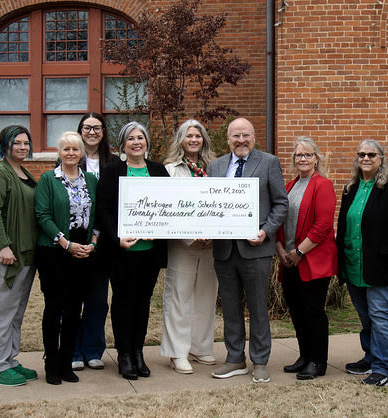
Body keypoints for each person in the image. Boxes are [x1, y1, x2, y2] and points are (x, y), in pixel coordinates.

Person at [208, 117, 288, 383]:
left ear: (253, 137)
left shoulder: (268, 163)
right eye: (235, 136)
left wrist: (265, 231)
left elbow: (280, 204)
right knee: (230, 308)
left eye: (245, 135)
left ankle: (260, 361)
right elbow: (209, 205)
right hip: (224, 250)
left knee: (257, 307)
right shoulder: (216, 165)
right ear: (227, 139)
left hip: (256, 249)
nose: (240, 141)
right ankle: (234, 358)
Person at [336, 139, 388, 387]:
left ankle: (382, 369)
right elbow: (344, 226)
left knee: (381, 316)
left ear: (381, 158)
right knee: (366, 317)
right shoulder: (351, 188)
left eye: (371, 154)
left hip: (383, 267)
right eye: (361, 154)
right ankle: (370, 358)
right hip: (354, 264)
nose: (365, 158)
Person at [96, 121, 169, 380]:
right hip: (122, 251)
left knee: (143, 301)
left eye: (141, 137)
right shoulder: (112, 170)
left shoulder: (159, 171)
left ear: (146, 143)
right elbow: (103, 211)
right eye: (131, 139)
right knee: (123, 301)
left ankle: (138, 352)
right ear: (123, 144)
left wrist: (160, 230)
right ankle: (124, 354)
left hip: (150, 251)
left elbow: (168, 206)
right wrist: (117, 237)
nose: (137, 142)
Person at [35, 132, 98, 385]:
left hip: (83, 252)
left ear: (81, 153)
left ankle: (66, 362)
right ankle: (51, 364)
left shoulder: (91, 180)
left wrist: (92, 244)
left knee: (75, 309)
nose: (71, 153)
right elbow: (42, 215)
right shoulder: (48, 180)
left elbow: (97, 216)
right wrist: (66, 243)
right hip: (54, 252)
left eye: (75, 149)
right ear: (59, 153)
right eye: (66, 149)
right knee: (54, 308)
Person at [275, 137, 338, 380]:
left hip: (312, 260)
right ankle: (304, 356)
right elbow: (279, 219)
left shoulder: (323, 185)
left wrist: (300, 252)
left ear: (316, 159)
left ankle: (318, 361)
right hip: (289, 260)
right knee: (297, 310)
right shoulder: (290, 185)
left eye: (308, 155)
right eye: (299, 155)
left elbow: (323, 226)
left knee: (313, 312)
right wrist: (281, 250)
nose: (303, 159)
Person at [0, 125, 39, 386]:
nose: (22, 147)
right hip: (6, 255)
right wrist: (3, 245)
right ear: (5, 145)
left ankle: (10, 360)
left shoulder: (24, 173)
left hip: (25, 254)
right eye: (17, 143)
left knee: (16, 312)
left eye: (26, 143)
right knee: (1, 313)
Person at [160, 119, 218, 374]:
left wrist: (214, 235)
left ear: (204, 139)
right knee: (179, 296)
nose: (194, 140)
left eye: (198, 136)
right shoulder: (170, 170)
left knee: (206, 295)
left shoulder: (214, 168)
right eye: (189, 136)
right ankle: (177, 352)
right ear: (180, 140)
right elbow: (167, 208)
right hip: (182, 244)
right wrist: (189, 236)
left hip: (211, 244)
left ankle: (201, 347)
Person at [71, 113, 119, 372]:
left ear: (103, 132)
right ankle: (74, 350)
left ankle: (93, 349)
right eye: (87, 127)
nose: (91, 132)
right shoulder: (68, 159)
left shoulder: (111, 162)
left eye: (97, 128)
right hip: (76, 239)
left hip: (105, 240)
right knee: (74, 297)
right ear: (80, 131)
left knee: (98, 299)